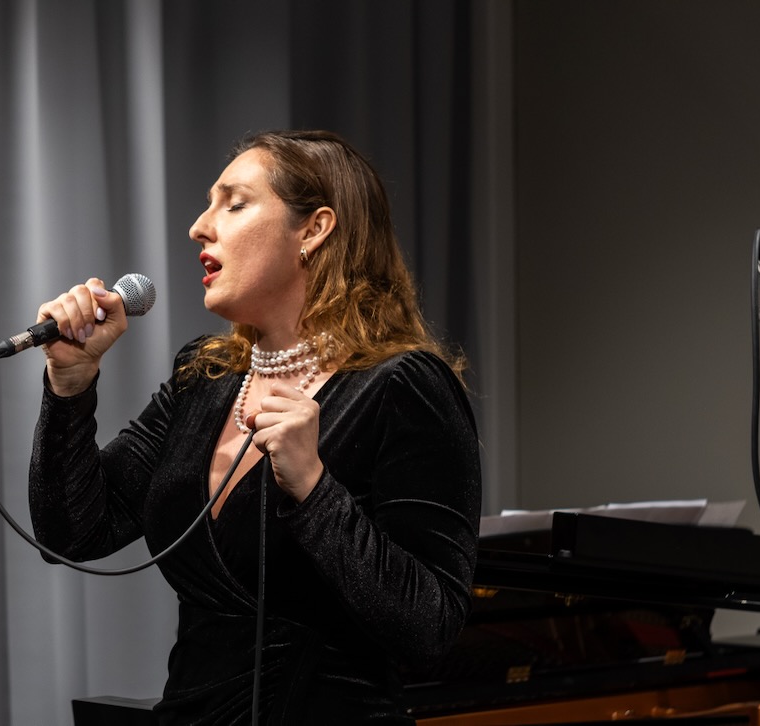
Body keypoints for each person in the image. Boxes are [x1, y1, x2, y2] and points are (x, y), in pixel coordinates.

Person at [27, 130, 481, 724]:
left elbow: (431, 628)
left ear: (314, 230)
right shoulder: (204, 377)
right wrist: (71, 385)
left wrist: (314, 488)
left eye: (234, 204)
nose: (199, 227)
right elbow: (72, 534)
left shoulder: (403, 386)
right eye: (208, 205)